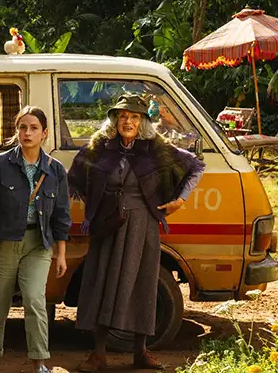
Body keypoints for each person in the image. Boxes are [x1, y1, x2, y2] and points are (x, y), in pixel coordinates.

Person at [68, 94, 205, 372]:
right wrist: (96, 203)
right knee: (102, 284)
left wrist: (180, 200)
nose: (127, 121)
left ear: (143, 121)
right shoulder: (100, 147)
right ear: (115, 120)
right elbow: (75, 178)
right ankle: (98, 354)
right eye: (122, 116)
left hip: (143, 226)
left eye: (134, 116)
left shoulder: (156, 149)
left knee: (142, 285)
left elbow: (196, 166)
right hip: (107, 226)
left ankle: (141, 352)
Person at [0, 106, 71, 373]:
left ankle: (40, 362)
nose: (27, 133)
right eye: (22, 127)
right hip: (1, 242)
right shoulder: (0, 163)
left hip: (37, 244)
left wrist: (60, 253)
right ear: (16, 131)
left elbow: (61, 215)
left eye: (34, 128)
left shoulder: (55, 169)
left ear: (44, 133)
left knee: (35, 301)